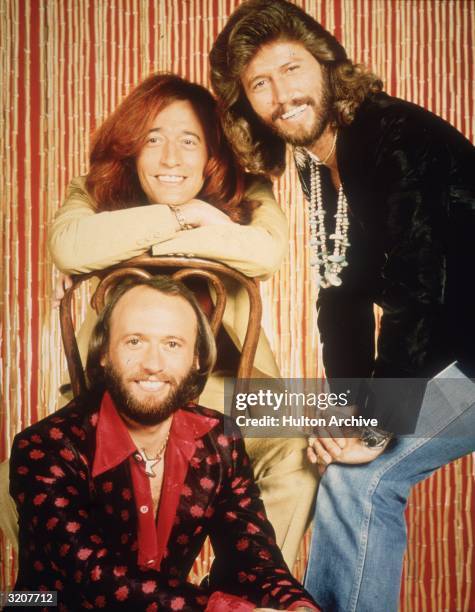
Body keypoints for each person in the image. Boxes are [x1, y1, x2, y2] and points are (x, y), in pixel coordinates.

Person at [209, 1, 475, 610]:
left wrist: (374, 426)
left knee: (360, 476)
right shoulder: (318, 165)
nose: (282, 95)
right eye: (260, 84)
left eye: (292, 69)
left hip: (466, 347)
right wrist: (346, 411)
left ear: (328, 66)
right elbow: (343, 298)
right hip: (455, 345)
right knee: (313, 437)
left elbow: (420, 285)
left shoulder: (393, 136)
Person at [0, 73, 317, 572]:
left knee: (297, 459)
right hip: (114, 387)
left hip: (227, 391)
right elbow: (68, 246)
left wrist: (117, 245)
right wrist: (186, 217)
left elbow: (265, 252)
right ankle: (75, 593)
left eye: (189, 141)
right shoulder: (94, 188)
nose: (171, 158)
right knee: (9, 480)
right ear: (131, 148)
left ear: (212, 150)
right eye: (153, 139)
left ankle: (236, 591)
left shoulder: (248, 185)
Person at [8, 275, 319, 611]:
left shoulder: (220, 440)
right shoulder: (45, 446)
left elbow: (252, 558)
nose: (153, 365)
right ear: (103, 354)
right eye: (134, 342)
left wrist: (296, 605)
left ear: (197, 358)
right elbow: (93, 575)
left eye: (172, 344)